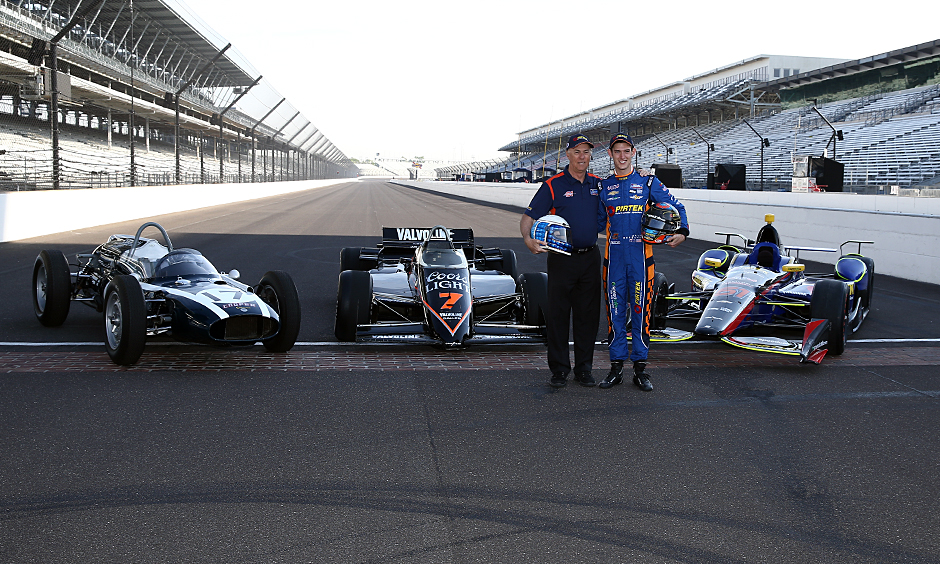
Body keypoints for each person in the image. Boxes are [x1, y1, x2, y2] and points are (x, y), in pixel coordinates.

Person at [597, 133, 689, 391]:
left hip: (641, 260)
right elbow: (591, 222)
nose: (622, 156)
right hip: (613, 260)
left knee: (640, 315)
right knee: (615, 315)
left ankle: (640, 370)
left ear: (633, 152)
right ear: (610, 154)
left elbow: (676, 206)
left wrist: (682, 231)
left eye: (627, 151)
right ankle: (615, 368)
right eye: (617, 151)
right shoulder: (604, 187)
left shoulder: (648, 183)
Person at [521, 134, 603, 388]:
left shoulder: (599, 184)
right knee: (558, 315)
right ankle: (559, 370)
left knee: (587, 317)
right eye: (577, 152)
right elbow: (529, 217)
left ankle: (584, 369)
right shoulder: (553, 184)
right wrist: (527, 238)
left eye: (586, 152)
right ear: (567, 154)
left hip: (590, 257)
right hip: (561, 258)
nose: (582, 157)